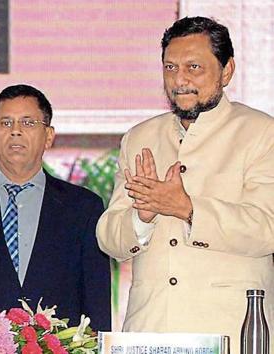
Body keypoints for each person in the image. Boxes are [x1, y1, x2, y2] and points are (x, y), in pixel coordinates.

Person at [96, 16, 274, 352]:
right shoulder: (139, 137)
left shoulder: (261, 133)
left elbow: (267, 228)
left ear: (227, 70)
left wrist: (187, 209)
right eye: (170, 67)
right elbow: (110, 239)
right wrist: (142, 218)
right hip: (150, 332)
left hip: (232, 330)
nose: (180, 80)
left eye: (194, 67)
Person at [0, 84, 111, 330]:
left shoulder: (84, 207)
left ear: (49, 136)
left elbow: (96, 301)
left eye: (28, 123)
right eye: (6, 123)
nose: (15, 131)